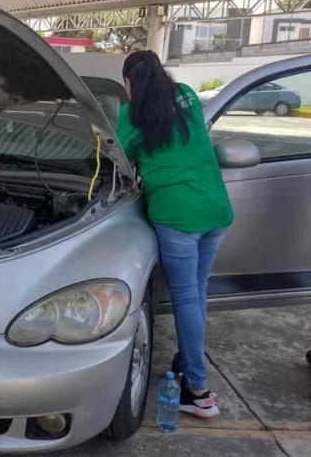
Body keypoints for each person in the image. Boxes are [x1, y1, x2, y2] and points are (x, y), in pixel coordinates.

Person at [116, 50, 234, 419]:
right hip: (215, 208)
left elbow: (118, 157)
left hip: (178, 215)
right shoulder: (186, 96)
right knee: (196, 294)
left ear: (129, 83)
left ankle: (198, 391)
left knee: (186, 298)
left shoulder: (132, 114)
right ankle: (187, 363)